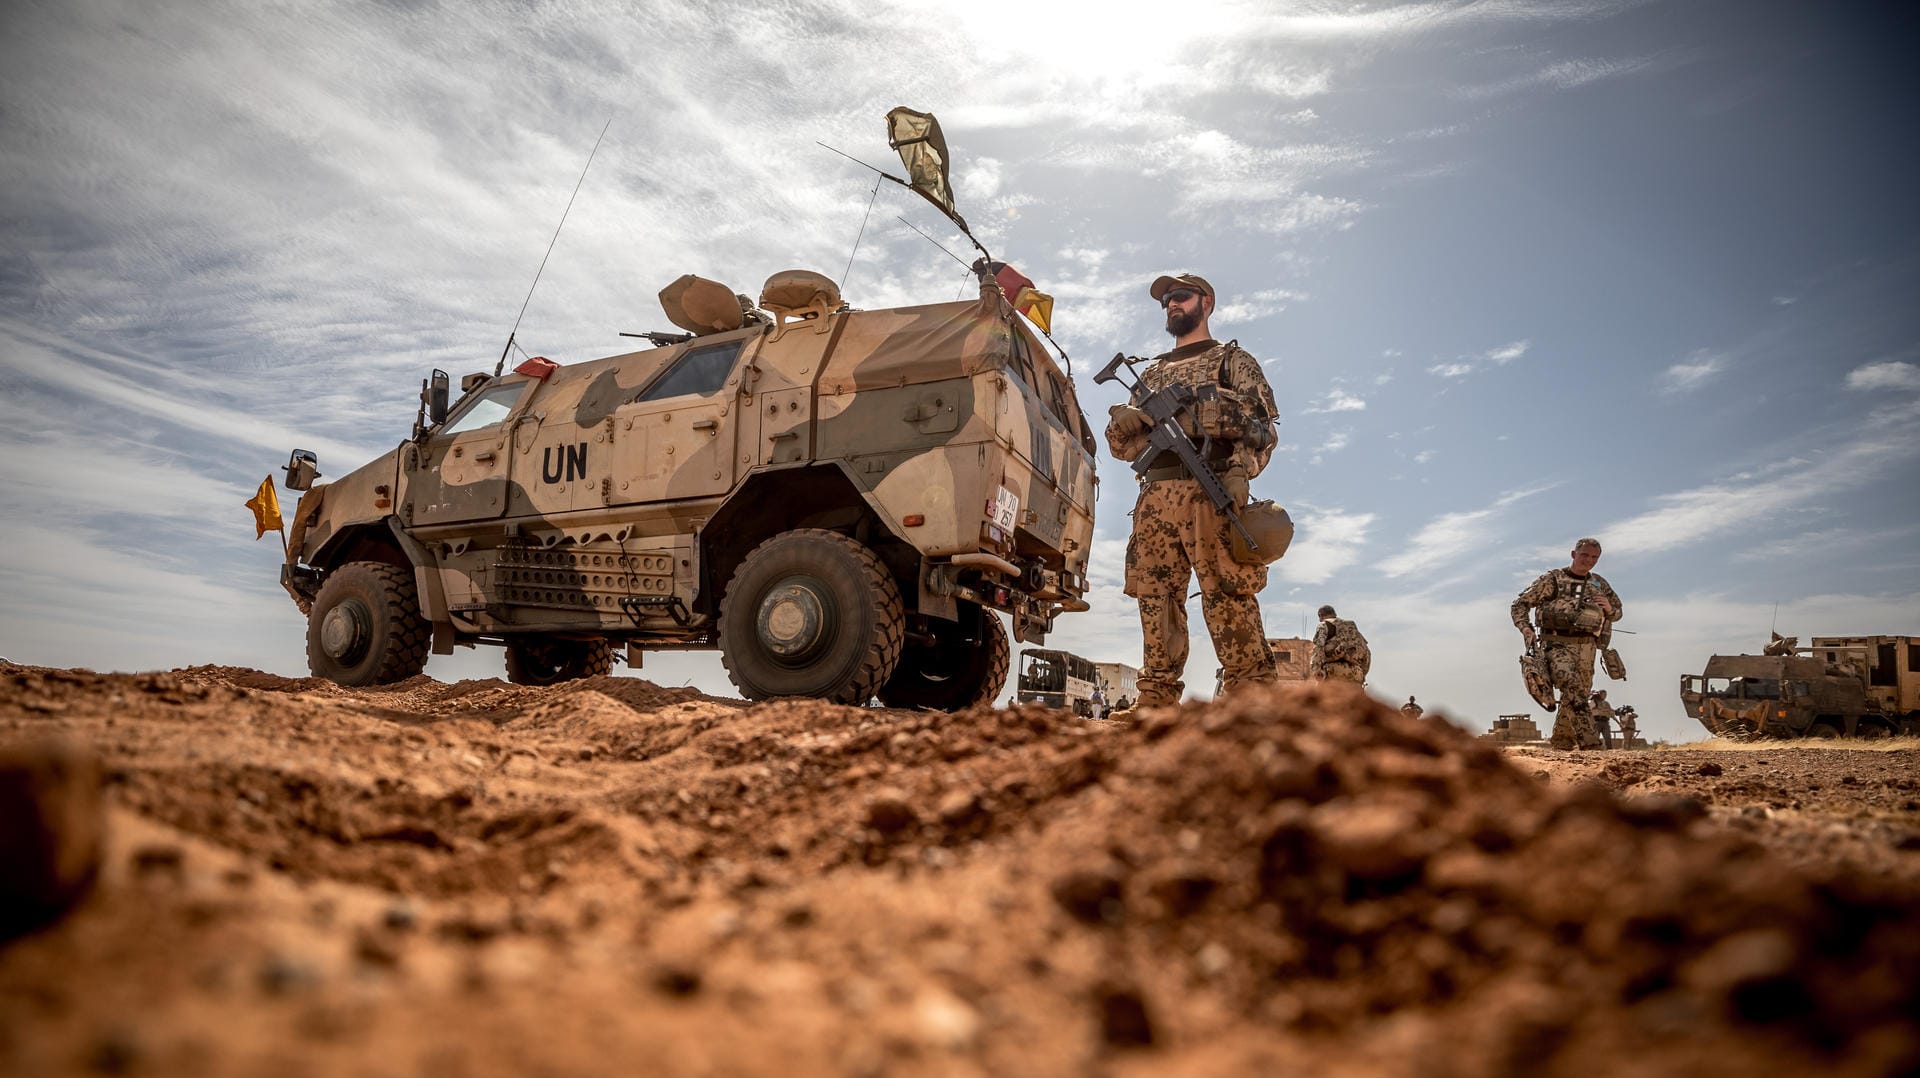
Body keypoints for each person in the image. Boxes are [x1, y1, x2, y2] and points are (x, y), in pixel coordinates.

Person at [1106, 273, 1280, 710]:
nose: (1171, 305)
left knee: (1228, 593)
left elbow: (1262, 430)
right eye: (1166, 300)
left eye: (1180, 297)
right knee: (1155, 599)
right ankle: (1156, 701)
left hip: (1212, 487)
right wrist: (1124, 421)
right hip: (1156, 496)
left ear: (1207, 302)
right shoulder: (1151, 373)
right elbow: (1121, 447)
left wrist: (1241, 472)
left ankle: (1251, 701)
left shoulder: (1232, 362)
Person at [1511, 537, 1625, 751]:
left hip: (1587, 647)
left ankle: (1562, 742)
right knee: (1571, 686)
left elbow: (1617, 613)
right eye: (1584, 555)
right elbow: (1520, 605)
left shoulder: (1599, 584)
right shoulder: (1552, 580)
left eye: (1594, 557)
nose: (1589, 561)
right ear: (1573, 554)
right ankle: (1590, 743)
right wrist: (1526, 629)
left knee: (1578, 692)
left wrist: (1609, 609)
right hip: (1556, 643)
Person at [1310, 605, 1371, 684]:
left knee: (1321, 696)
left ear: (1321, 615)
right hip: (1355, 674)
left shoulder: (1324, 625)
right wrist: (1361, 673)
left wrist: (1316, 671)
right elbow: (1367, 653)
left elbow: (1318, 648)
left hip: (1333, 673)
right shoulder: (1352, 627)